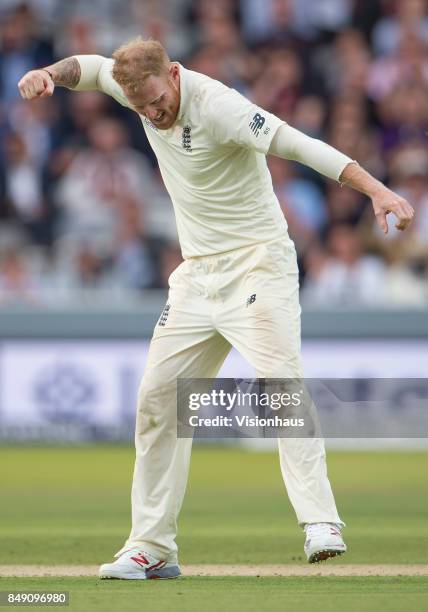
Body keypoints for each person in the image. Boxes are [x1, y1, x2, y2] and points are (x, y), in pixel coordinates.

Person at [18, 38, 414, 580]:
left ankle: (321, 522)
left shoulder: (220, 106)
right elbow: (87, 68)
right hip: (196, 277)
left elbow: (300, 145)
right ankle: (152, 547)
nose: (152, 114)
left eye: (158, 101)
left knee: (281, 385)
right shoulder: (132, 82)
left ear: (175, 74)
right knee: (157, 401)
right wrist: (47, 72)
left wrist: (377, 191)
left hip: (258, 264)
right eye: (141, 108)